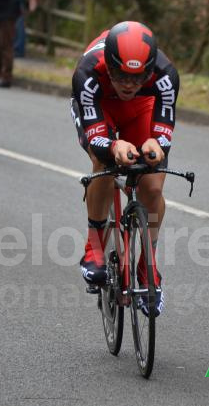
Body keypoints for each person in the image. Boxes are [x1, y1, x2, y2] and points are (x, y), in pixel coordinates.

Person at [70, 21, 179, 316]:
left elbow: (163, 133)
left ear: (150, 69)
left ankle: (147, 266)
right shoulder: (87, 72)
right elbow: (96, 137)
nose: (129, 84)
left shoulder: (166, 74)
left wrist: (157, 143)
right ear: (109, 65)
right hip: (100, 105)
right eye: (121, 75)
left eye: (138, 77)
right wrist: (114, 146)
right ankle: (94, 248)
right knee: (104, 163)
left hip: (143, 107)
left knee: (152, 186)